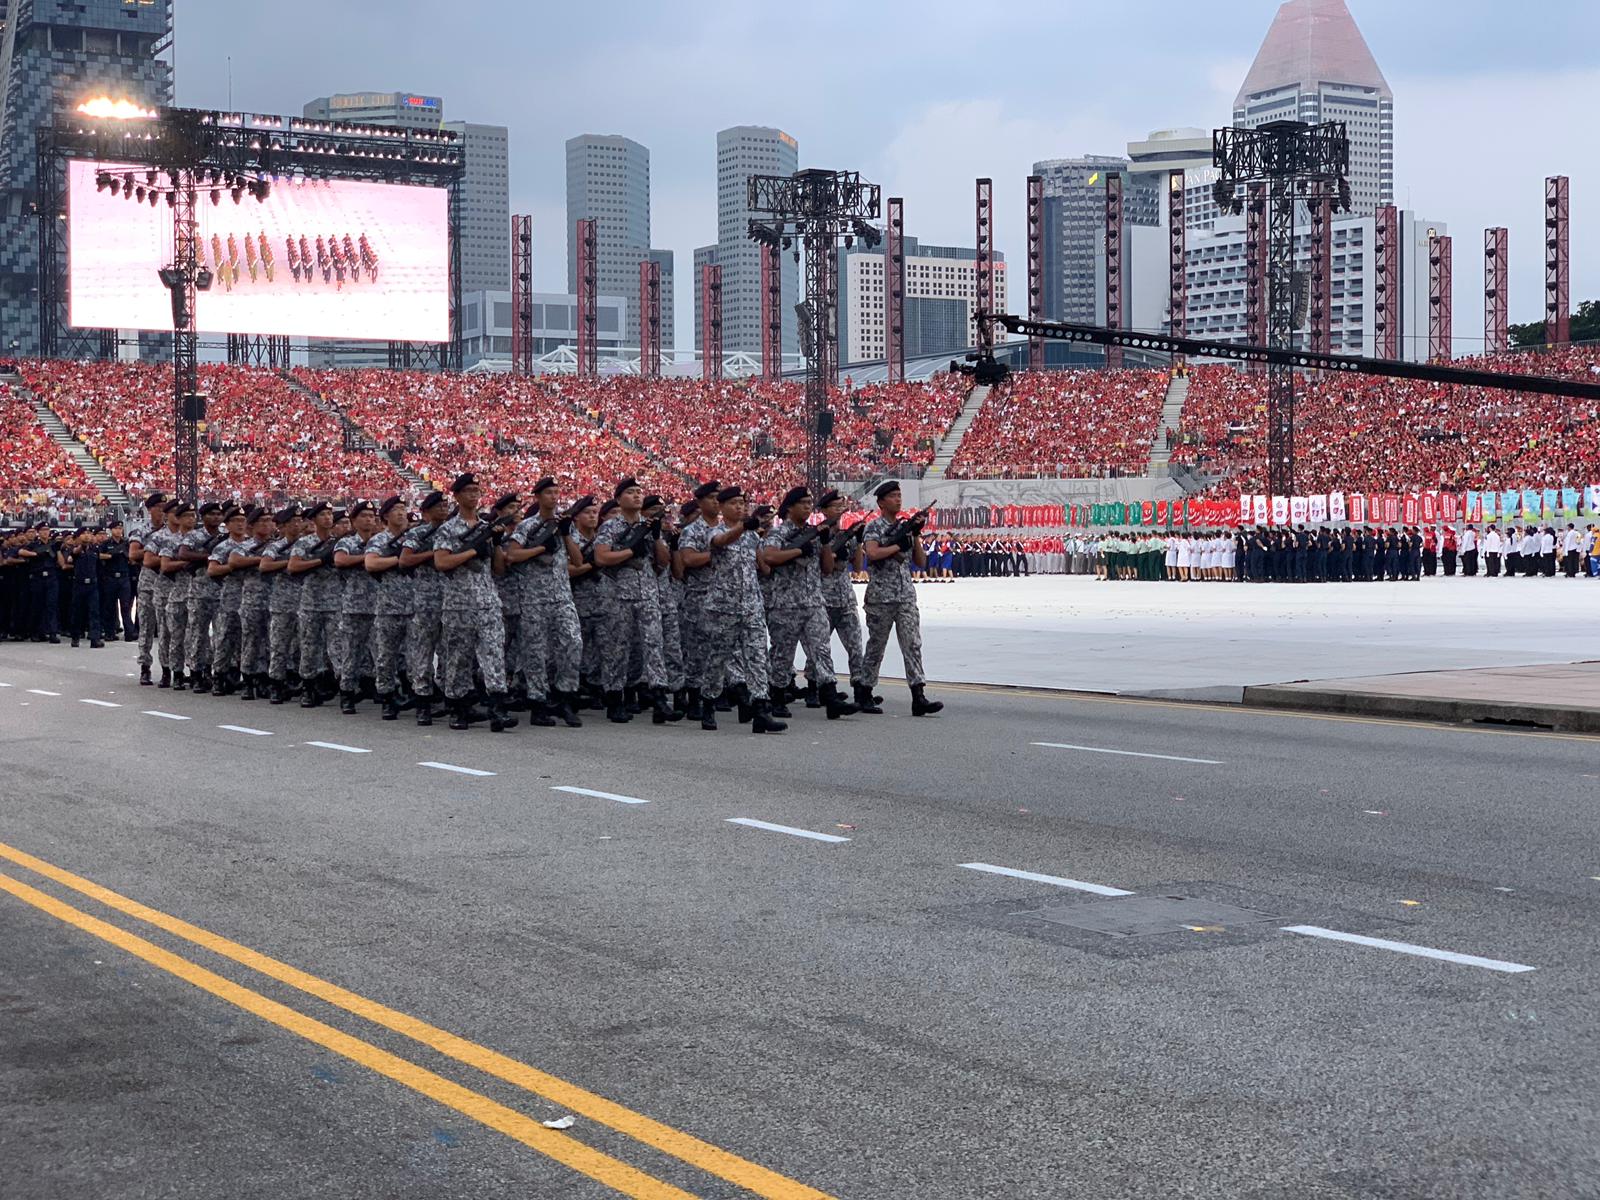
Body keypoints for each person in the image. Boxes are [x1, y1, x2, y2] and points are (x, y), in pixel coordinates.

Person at [760, 486, 858, 721]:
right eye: (802, 502)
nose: (807, 506)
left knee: (822, 649)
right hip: (785, 604)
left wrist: (824, 543)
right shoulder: (779, 533)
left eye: (809, 502)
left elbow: (826, 569)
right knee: (783, 654)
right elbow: (770, 557)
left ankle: (831, 697)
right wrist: (796, 551)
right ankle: (777, 695)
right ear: (790, 506)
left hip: (814, 602)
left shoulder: (813, 532)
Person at [432, 473, 517, 733]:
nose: (473, 495)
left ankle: (497, 708)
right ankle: (459, 707)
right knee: (459, 657)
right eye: (468, 490)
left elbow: (498, 570)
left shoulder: (485, 527)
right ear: (456, 495)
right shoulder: (448, 528)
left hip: (488, 601)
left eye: (477, 490)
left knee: (494, 654)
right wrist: (472, 550)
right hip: (459, 603)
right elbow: (442, 562)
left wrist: (498, 545)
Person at [700, 486, 785, 734]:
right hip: (723, 608)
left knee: (758, 657)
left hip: (751, 606)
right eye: (734, 503)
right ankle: (708, 702)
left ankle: (760, 710)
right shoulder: (715, 531)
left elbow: (762, 566)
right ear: (722, 507)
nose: (739, 507)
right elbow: (720, 542)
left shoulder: (752, 537)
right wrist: (743, 528)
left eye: (742, 503)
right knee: (718, 658)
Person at [594, 477, 675, 724]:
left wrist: (657, 536)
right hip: (619, 596)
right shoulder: (610, 527)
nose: (637, 496)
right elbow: (601, 558)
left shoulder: (648, 526)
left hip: (648, 595)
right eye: (631, 492)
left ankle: (659, 698)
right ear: (619, 499)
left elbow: (663, 561)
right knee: (618, 649)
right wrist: (630, 551)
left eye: (639, 492)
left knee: (654, 645)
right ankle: (615, 698)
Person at [504, 477, 584, 728]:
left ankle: (565, 697)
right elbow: (512, 555)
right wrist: (540, 549)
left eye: (556, 492)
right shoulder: (527, 527)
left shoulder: (563, 525)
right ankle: (538, 702)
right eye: (549, 492)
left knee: (573, 642)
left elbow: (579, 561)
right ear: (538, 497)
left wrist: (566, 534)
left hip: (562, 597)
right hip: (534, 599)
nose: (554, 496)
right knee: (535, 652)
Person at [860, 481, 942, 717]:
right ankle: (865, 691)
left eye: (899, 495)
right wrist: (897, 545)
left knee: (913, 645)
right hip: (881, 597)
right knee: (876, 646)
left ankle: (918, 695)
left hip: (905, 596)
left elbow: (921, 562)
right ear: (881, 502)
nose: (898, 499)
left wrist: (914, 534)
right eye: (893, 496)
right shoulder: (874, 527)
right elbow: (873, 553)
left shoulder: (904, 527)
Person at [363, 495, 415, 721]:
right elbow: (371, 563)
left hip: (415, 605)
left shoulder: (415, 537)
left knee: (417, 655)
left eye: (403, 509)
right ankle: (387, 696)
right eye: (395, 510)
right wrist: (399, 560)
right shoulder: (380, 540)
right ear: (385, 516)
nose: (401, 513)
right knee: (386, 656)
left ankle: (418, 695)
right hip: (388, 606)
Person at [401, 491, 449, 726]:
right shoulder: (418, 533)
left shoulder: (454, 530)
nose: (443, 510)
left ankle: (449, 696)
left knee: (451, 651)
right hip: (425, 601)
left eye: (445, 505)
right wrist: (436, 554)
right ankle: (423, 700)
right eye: (438, 507)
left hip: (452, 600)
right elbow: (405, 560)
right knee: (423, 653)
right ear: (426, 512)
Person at [289, 502, 340, 707]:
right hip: (311, 601)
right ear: (314, 520)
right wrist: (320, 561)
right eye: (323, 515)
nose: (328, 518)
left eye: (330, 514)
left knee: (336, 647)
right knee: (309, 646)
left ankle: (339, 686)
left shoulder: (339, 542)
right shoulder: (305, 543)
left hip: (335, 602)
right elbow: (294, 566)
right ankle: (308, 687)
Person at [333, 500, 379, 714]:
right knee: (351, 652)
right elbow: (341, 561)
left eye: (371, 516)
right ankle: (347, 692)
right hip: (354, 605)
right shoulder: (347, 543)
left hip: (380, 605)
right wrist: (370, 558)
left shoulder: (382, 541)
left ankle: (382, 690)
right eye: (364, 516)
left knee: (381, 652)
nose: (368, 519)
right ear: (354, 521)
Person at [235, 507, 275, 701]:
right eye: (263, 521)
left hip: (275, 600)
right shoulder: (246, 546)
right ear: (252, 525)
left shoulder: (278, 545)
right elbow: (234, 561)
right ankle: (248, 679)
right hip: (252, 599)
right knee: (251, 641)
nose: (268, 525)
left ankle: (266, 677)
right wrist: (262, 560)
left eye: (270, 520)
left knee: (271, 642)